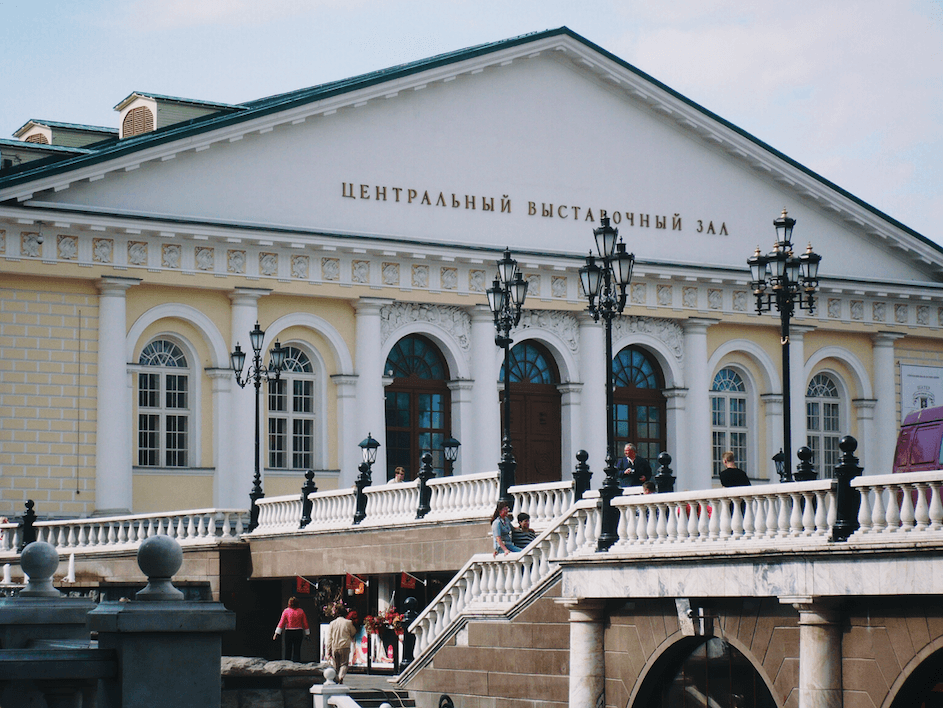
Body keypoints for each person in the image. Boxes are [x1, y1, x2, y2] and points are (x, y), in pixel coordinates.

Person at [273, 596, 310, 662]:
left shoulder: (286, 611)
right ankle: (297, 665)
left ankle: (287, 665)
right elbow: (305, 623)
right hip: (298, 632)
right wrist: (307, 634)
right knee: (297, 650)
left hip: (289, 632)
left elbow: (281, 622)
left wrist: (276, 633)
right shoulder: (301, 611)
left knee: (288, 650)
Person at [327, 610, 359, 683]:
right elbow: (353, 631)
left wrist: (328, 650)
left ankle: (336, 678)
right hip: (345, 646)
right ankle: (340, 677)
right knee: (344, 664)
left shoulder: (332, 623)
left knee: (336, 666)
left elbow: (329, 638)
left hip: (334, 646)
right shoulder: (348, 623)